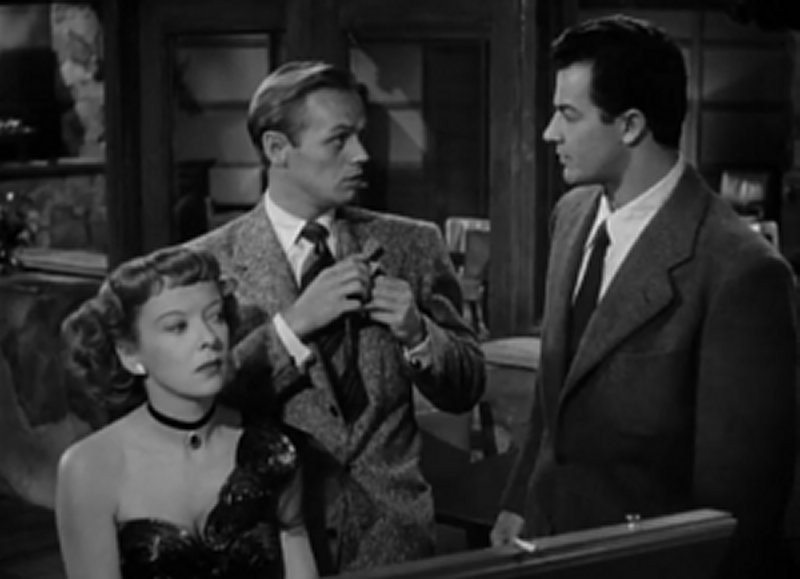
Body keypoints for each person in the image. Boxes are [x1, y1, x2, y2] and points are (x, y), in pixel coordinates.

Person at [491, 14, 797, 579]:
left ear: (630, 125)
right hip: (549, 548)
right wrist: (519, 500)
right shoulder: (572, 215)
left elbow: (738, 511)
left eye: (568, 115)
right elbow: (555, 396)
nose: (549, 133)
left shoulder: (740, 272)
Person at [187, 60, 485, 573]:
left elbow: (466, 387)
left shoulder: (411, 245)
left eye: (360, 136)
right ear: (277, 148)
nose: (362, 155)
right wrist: (292, 327)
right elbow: (198, 404)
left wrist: (417, 334)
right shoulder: (208, 265)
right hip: (267, 542)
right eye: (339, 139)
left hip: (393, 541)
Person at [55, 246, 318, 579]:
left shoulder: (272, 450)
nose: (209, 339)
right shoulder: (90, 468)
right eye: (178, 326)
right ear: (129, 354)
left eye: (216, 317)